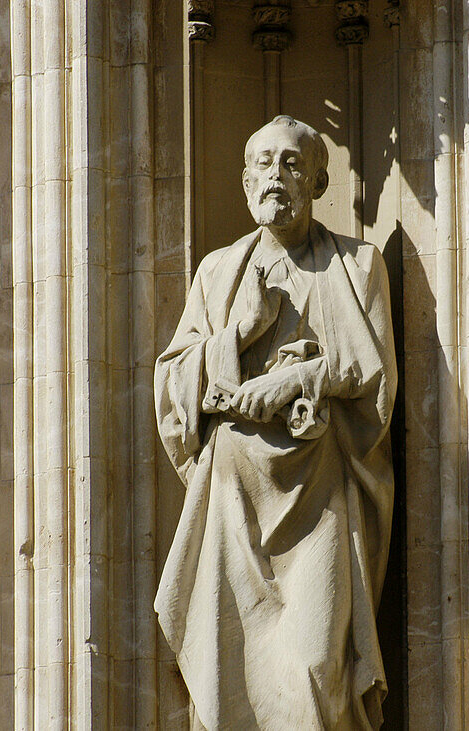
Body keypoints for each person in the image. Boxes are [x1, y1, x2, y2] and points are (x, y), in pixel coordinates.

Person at [154, 116, 396, 730]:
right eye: (262, 164)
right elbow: (173, 385)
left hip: (321, 497)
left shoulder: (359, 264)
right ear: (243, 180)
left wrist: (296, 378)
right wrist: (240, 332)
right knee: (229, 666)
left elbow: (375, 377)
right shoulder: (217, 273)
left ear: (318, 180)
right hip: (235, 502)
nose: (275, 177)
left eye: (291, 164)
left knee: (317, 666)